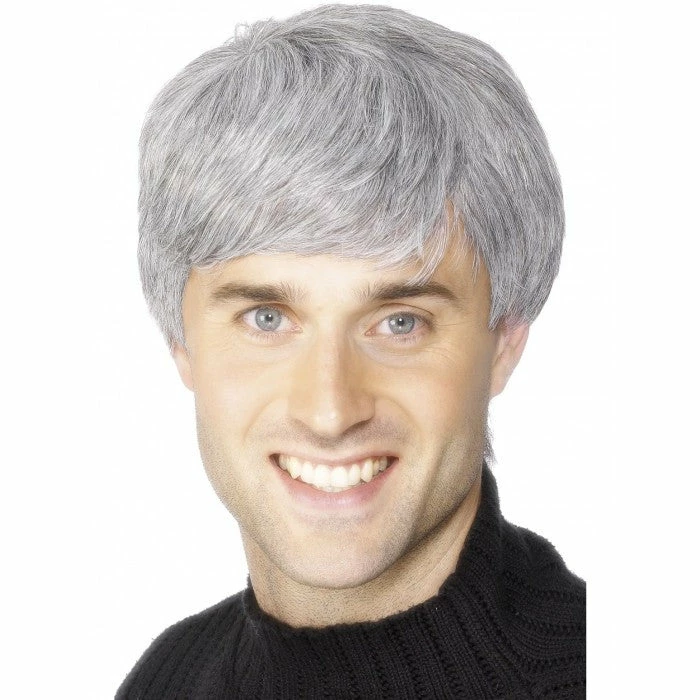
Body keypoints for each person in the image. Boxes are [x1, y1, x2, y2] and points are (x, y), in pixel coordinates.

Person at [117, 4, 585, 698]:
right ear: (180, 341)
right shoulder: (171, 679)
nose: (330, 411)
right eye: (268, 318)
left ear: (505, 341)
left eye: (400, 324)